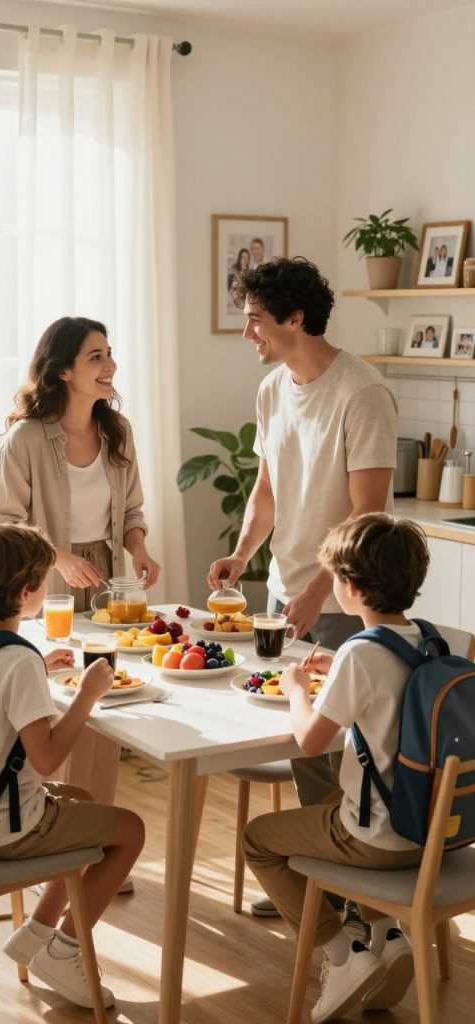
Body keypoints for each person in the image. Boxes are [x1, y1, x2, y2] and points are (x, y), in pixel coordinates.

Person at [207, 256, 397, 915]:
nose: (245, 334)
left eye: (254, 320)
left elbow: (365, 514)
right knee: (301, 742)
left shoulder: (360, 392)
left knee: (347, 745)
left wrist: (318, 590)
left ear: (294, 318)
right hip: (283, 590)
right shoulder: (271, 391)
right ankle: (321, 877)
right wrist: (240, 555)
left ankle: (352, 888)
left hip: (344, 594)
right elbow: (267, 491)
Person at [0, 523, 145, 1011]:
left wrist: (40, 666)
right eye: (43, 578)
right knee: (130, 831)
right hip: (5, 831)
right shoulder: (19, 662)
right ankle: (66, 950)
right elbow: (49, 756)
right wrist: (88, 697)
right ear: (25, 592)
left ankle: (35, 934)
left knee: (83, 803)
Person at [242, 513, 428, 1024]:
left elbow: (309, 742)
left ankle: (343, 954)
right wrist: (336, 671)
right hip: (428, 831)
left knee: (257, 840)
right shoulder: (429, 643)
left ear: (347, 587)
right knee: (330, 803)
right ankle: (388, 934)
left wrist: (298, 690)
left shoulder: (358, 653)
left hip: (379, 840)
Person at [0, 316, 160, 808]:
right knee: (50, 704)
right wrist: (58, 557)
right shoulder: (25, 439)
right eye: (96, 357)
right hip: (42, 583)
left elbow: (131, 510)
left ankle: (88, 844)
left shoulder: (117, 432)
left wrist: (139, 546)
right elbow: (2, 523)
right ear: (63, 371)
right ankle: (51, 837)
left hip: (105, 577)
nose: (111, 365)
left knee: (100, 705)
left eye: (110, 353)